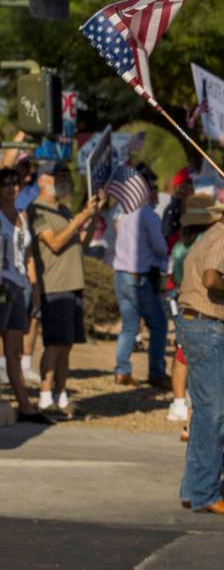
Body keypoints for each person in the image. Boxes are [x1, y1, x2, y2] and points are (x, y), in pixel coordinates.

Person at [176, 194, 224, 516]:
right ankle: (207, 494)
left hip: (199, 324)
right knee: (214, 415)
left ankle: (193, 491)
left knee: (203, 415)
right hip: (205, 329)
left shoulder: (210, 236)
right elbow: (211, 281)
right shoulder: (222, 237)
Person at [29, 162, 104, 419]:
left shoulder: (62, 209)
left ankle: (60, 396)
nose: (63, 178)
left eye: (65, 174)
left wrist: (92, 215)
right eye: (56, 174)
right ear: (41, 180)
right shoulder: (37, 210)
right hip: (55, 284)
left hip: (74, 283)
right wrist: (82, 216)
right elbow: (55, 243)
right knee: (54, 344)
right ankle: (45, 396)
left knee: (68, 344)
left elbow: (81, 242)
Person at [0, 168, 51, 424]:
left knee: (14, 351)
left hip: (20, 285)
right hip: (2, 285)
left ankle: (25, 406)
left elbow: (28, 254)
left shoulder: (21, 215)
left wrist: (35, 285)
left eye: (15, 184)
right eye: (6, 184)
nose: (11, 189)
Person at [165, 193, 220, 431]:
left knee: (181, 353)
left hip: (181, 300)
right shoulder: (207, 245)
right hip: (201, 304)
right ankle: (188, 401)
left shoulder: (180, 245)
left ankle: (178, 401)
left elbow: (174, 276)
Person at [111, 173, 170, 388]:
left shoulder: (124, 213)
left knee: (129, 326)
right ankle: (156, 371)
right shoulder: (148, 214)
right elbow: (159, 247)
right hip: (139, 277)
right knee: (159, 325)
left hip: (121, 274)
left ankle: (122, 369)